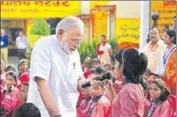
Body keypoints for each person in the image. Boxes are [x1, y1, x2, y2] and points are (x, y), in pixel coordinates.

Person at [27, 16, 85, 117]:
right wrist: (56, 115)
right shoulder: (44, 45)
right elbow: (41, 83)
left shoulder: (75, 53)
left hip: (68, 112)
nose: (77, 45)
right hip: (44, 112)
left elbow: (78, 80)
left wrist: (89, 84)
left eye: (79, 41)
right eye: (74, 40)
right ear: (60, 33)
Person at [105, 48, 148, 117]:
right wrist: (110, 89)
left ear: (122, 66)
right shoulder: (135, 86)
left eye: (116, 63)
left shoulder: (127, 90)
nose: (114, 67)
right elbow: (120, 106)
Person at [156, 29, 176, 94]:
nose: (163, 38)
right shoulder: (163, 51)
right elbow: (159, 65)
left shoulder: (175, 52)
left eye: (165, 36)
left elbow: (174, 70)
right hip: (162, 83)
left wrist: (166, 76)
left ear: (172, 38)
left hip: (173, 85)